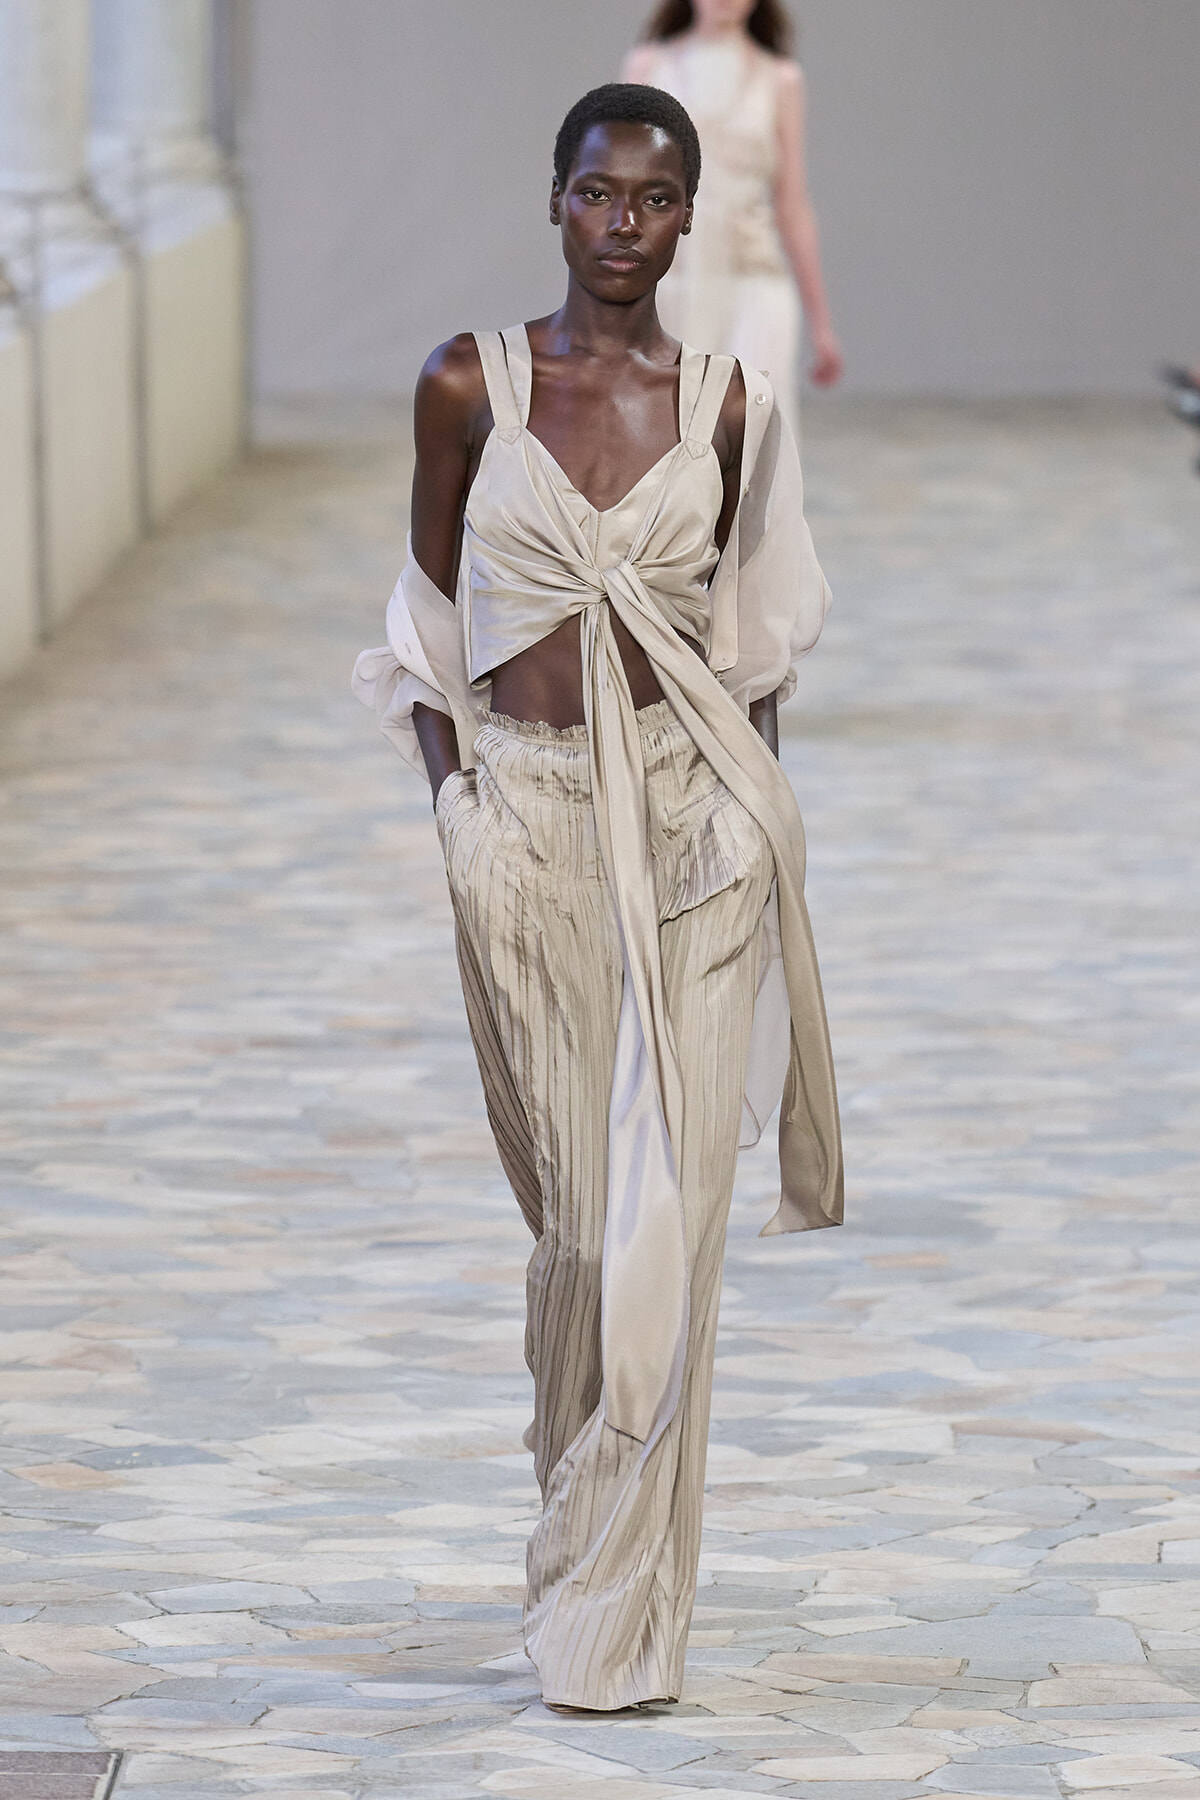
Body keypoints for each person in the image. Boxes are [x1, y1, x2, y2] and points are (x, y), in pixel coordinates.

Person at [353, 82, 842, 1713]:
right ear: (554, 201)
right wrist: (459, 809)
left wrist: (754, 830)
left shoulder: (726, 407)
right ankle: (582, 1536)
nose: (623, 224)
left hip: (695, 828)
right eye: (596, 192)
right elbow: (429, 618)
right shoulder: (470, 387)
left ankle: (621, 1619)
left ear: (690, 216)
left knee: (667, 1227)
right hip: (528, 823)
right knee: (579, 1221)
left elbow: (753, 649)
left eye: (654, 198)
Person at [623, 0, 841, 435]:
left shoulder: (781, 79)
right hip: (668, 281)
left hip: (754, 277)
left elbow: (792, 203)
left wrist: (822, 325)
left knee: (754, 430)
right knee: (667, 430)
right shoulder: (647, 66)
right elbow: (624, 185)